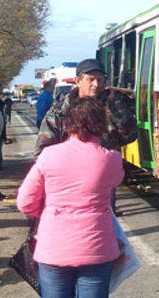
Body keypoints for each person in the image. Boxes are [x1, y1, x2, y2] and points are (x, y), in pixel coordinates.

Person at [17, 97, 124, 298]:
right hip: (96, 248)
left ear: (68, 123)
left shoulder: (48, 155)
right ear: (101, 123)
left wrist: (49, 212)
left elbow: (24, 202)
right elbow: (116, 180)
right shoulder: (111, 159)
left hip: (54, 247)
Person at [36, 59, 137, 155]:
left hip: (105, 168)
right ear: (78, 81)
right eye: (90, 79)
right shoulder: (61, 110)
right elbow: (43, 150)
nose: (96, 84)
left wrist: (114, 103)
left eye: (99, 80)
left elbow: (129, 136)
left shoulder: (110, 105)